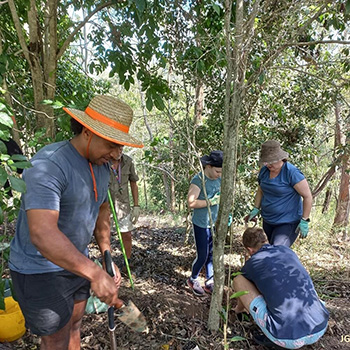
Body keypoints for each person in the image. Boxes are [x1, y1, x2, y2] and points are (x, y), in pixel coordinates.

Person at [9, 95, 143, 350]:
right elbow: (42, 233)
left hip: (76, 263)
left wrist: (105, 255)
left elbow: (101, 210)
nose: (116, 155)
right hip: (38, 270)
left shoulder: (102, 167)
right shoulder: (49, 164)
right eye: (112, 145)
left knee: (74, 326)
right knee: (55, 339)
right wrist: (94, 272)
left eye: (121, 148)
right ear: (87, 132)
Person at [233, 227, 329, 349]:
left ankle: (243, 314)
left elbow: (246, 286)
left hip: (286, 338)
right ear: (266, 240)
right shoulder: (286, 250)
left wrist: (239, 308)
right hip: (319, 326)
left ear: (250, 250)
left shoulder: (252, 263)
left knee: (238, 279)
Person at [246, 140, 312, 247]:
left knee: (278, 250)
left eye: (271, 161)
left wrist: (305, 220)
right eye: (266, 161)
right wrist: (256, 209)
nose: (268, 164)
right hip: (268, 220)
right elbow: (260, 190)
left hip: (288, 222)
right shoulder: (264, 171)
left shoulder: (291, 172)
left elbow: (307, 196)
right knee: (269, 250)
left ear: (280, 158)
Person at [186, 150, 222, 296]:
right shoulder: (199, 180)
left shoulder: (220, 180)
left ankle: (210, 280)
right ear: (208, 166)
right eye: (217, 171)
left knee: (212, 253)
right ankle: (193, 279)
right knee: (203, 254)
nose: (219, 174)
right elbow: (191, 202)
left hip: (214, 223)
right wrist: (210, 202)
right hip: (201, 223)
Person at [109, 151, 140, 266]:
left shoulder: (128, 161)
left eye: (121, 147)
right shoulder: (102, 161)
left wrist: (136, 205)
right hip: (105, 207)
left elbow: (133, 182)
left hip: (123, 206)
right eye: (116, 148)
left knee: (126, 235)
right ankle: (108, 262)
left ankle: (127, 261)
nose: (119, 151)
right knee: (105, 236)